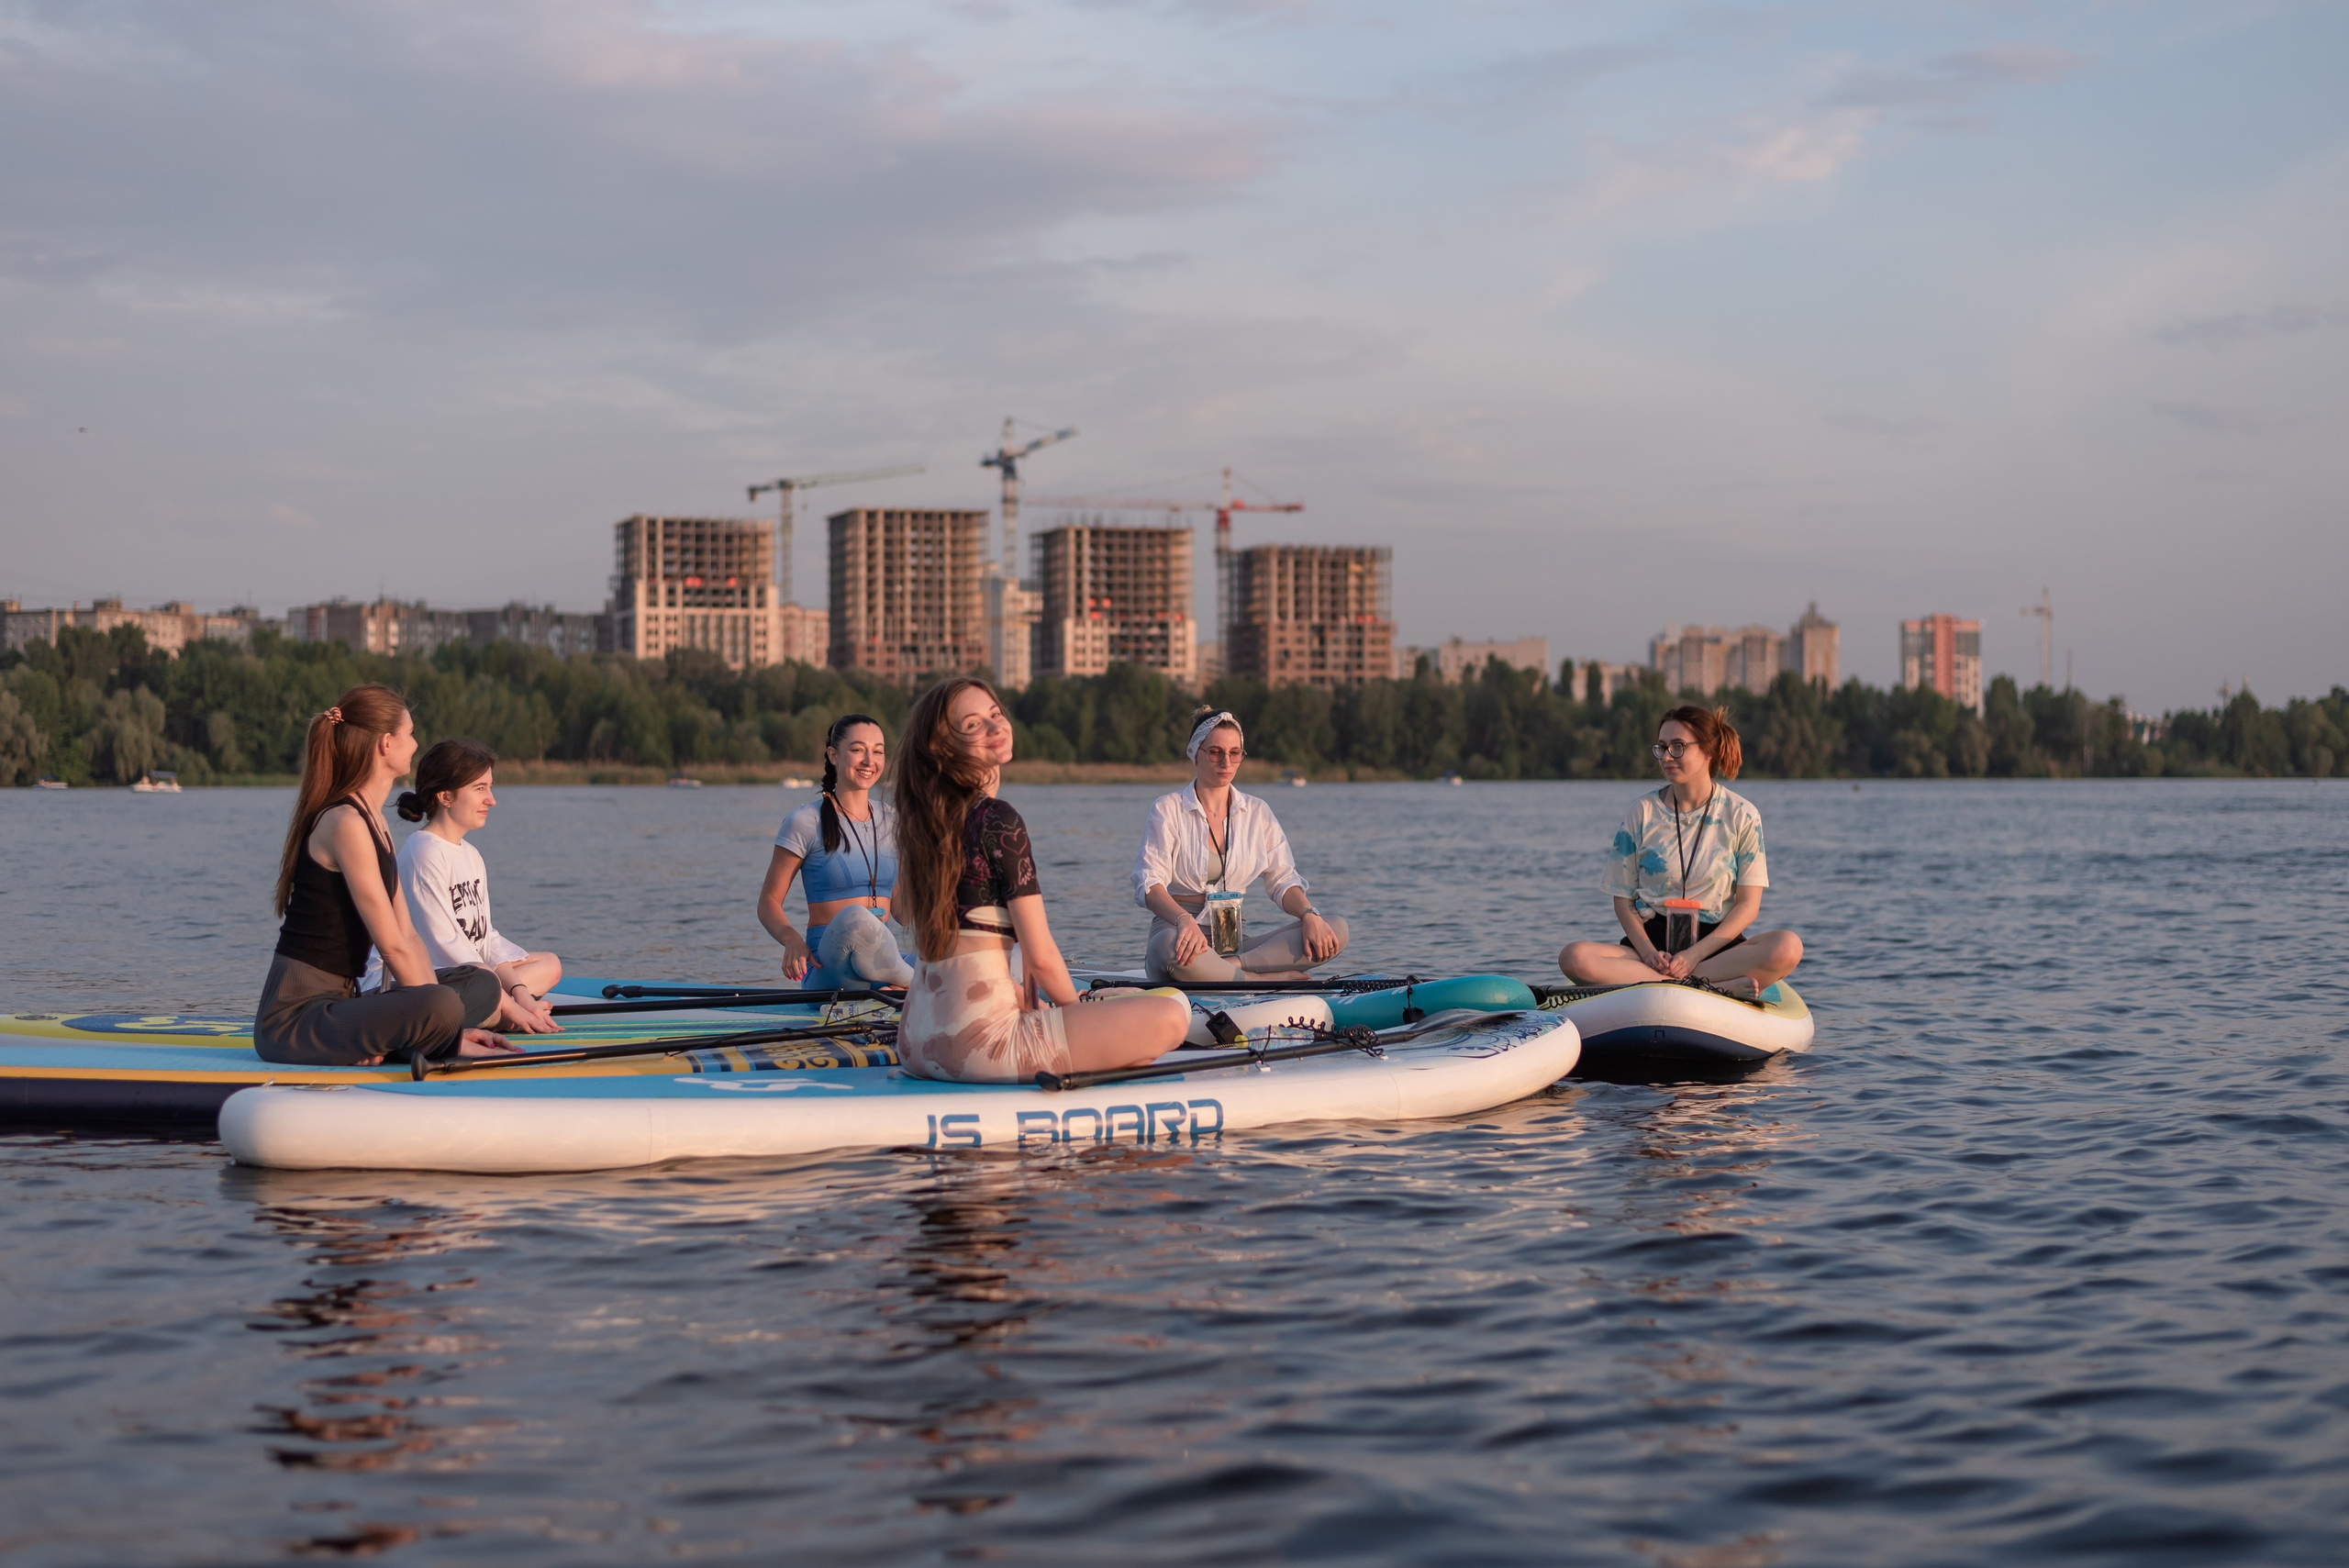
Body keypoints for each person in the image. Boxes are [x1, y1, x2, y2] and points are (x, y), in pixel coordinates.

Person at [892, 675, 1187, 1083]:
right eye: (974, 724)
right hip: (978, 1047)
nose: (995, 726)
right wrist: (1076, 1018)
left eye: (995, 714)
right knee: (1172, 1016)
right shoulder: (998, 819)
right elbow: (1042, 957)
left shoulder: (926, 826)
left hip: (914, 1042)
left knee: (1116, 1035)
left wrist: (1034, 1006)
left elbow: (931, 932)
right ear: (942, 747)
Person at [255, 685, 518, 1067]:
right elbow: (392, 946)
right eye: (410, 734)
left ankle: (387, 1042)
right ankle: (394, 1041)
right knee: (442, 1004)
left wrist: (443, 1025)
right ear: (386, 744)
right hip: (292, 1022)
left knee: (474, 985)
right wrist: (443, 1027)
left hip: (342, 1005)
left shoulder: (374, 821)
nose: (415, 744)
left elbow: (408, 936)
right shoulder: (345, 823)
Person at [1558, 705, 1804, 998]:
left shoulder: (1743, 815)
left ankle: (1684, 980)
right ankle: (1712, 986)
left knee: (1788, 947)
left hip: (1717, 950)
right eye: (1662, 748)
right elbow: (1623, 901)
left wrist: (1694, 956)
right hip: (1651, 952)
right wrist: (1648, 954)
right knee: (1574, 957)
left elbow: (1748, 905)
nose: (1666, 757)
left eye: (1678, 747)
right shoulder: (1642, 812)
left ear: (1708, 750)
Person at [359, 739, 563, 1034]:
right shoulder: (424, 852)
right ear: (446, 797)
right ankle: (497, 1015)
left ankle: (493, 1010)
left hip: (463, 975)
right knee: (484, 979)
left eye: (490, 787)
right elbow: (446, 945)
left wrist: (519, 993)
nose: (491, 800)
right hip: (399, 984)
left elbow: (484, 939)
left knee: (549, 964)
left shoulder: (470, 855)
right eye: (480, 789)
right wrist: (513, 1005)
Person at [1131, 706, 1349, 984]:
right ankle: (1260, 980)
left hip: (1236, 945)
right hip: (1180, 936)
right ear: (1195, 754)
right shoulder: (1167, 808)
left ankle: (1234, 968)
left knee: (1335, 928)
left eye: (1235, 753)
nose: (1226, 762)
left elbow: (1283, 880)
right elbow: (1149, 885)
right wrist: (1183, 920)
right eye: (1215, 752)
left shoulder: (1258, 812)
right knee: (1170, 948)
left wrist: (1309, 915)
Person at [755, 713, 914, 989]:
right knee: (856, 918)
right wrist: (792, 939)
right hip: (829, 969)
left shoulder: (892, 820)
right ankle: (918, 986)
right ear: (833, 755)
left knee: (957, 959)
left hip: (882, 965)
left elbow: (903, 911)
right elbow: (768, 901)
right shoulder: (805, 821)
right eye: (858, 750)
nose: (869, 760)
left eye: (878, 751)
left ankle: (906, 986)